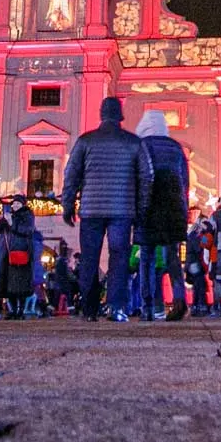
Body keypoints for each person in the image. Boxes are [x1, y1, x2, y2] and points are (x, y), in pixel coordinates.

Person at [61, 97, 153, 322]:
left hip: (91, 209)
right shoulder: (134, 142)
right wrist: (141, 209)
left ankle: (89, 309)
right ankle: (117, 307)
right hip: (122, 210)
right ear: (120, 115)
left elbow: (71, 175)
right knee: (119, 258)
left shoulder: (85, 141)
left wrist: (68, 205)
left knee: (89, 259)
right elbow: (147, 178)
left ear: (101, 115)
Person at [135, 110, 190, 321]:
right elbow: (185, 181)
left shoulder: (142, 146)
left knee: (146, 259)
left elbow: (138, 178)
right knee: (173, 258)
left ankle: (147, 307)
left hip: (149, 208)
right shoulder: (176, 147)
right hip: (174, 209)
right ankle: (179, 300)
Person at [0, 196, 39, 318]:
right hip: (6, 253)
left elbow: (27, 230)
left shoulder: (27, 216)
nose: (15, 206)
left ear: (23, 205)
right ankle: (12, 309)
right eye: (14, 204)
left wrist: (12, 224)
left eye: (18, 203)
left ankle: (20, 310)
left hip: (20, 252)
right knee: (8, 283)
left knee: (20, 282)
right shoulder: (8, 215)